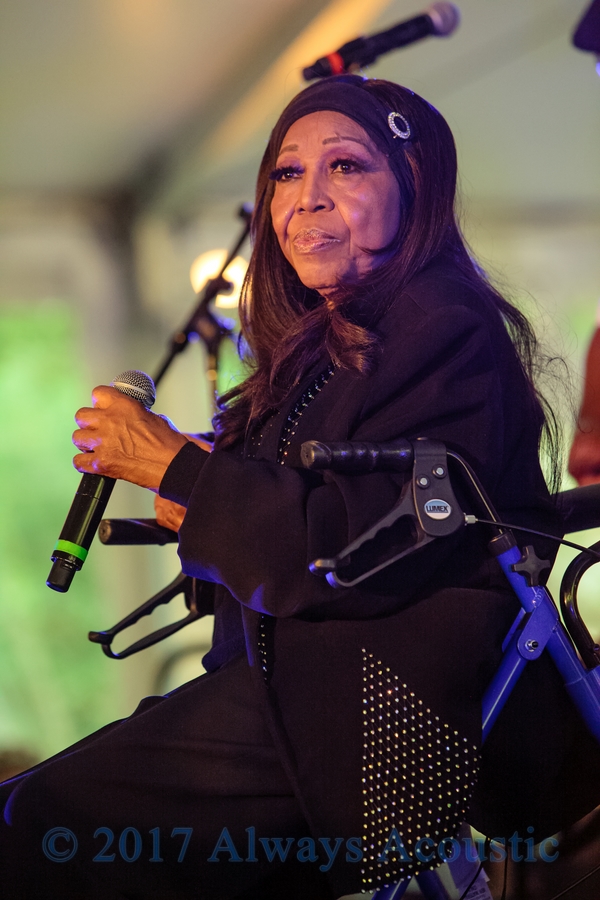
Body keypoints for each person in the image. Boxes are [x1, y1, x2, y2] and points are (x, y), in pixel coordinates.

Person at [1, 75, 599, 900]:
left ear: (414, 183)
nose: (307, 197)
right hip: (293, 698)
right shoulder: (322, 349)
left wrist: (182, 471)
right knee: (24, 808)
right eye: (286, 173)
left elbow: (368, 544)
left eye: (346, 166)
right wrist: (203, 493)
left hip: (378, 725)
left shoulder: (444, 327)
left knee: (39, 824)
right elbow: (302, 514)